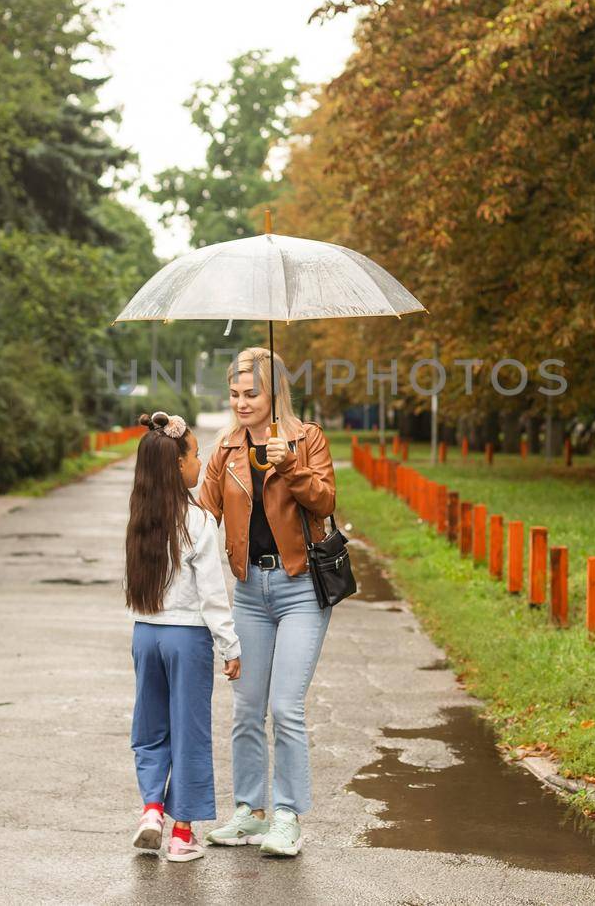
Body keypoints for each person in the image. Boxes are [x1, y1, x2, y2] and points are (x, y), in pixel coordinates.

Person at [197, 347, 338, 858]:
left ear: (274, 392)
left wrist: (292, 466)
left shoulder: (307, 438)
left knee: (285, 707)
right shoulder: (227, 449)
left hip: (301, 587)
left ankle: (286, 817)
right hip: (250, 591)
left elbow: (325, 500)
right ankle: (250, 812)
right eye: (234, 394)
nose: (240, 403)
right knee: (246, 708)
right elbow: (199, 509)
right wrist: (167, 455)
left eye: (251, 394)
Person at [124, 410, 241, 863]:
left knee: (150, 727)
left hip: (146, 634)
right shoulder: (197, 520)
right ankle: (182, 834)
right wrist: (230, 646)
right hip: (186, 639)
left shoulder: (140, 517)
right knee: (189, 731)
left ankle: (151, 809)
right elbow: (213, 595)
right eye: (195, 455)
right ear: (177, 465)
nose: (200, 463)